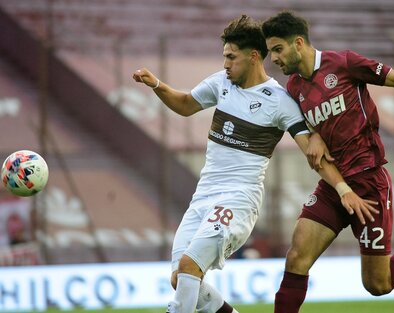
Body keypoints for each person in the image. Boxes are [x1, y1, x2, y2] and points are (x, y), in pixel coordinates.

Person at [133, 15, 377, 313]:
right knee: (180, 280)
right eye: (224, 57)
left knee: (188, 268)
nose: (225, 64)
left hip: (238, 199)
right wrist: (157, 84)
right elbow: (185, 105)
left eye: (230, 57)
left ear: (252, 57)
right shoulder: (221, 83)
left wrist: (341, 187)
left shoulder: (279, 100)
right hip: (203, 196)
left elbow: (313, 155)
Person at [261, 11, 394, 313]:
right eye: (270, 52)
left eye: (277, 49)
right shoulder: (293, 89)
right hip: (335, 185)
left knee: (377, 285)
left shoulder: (343, 63)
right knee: (296, 258)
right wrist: (316, 136)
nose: (274, 59)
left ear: (298, 43)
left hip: (369, 181)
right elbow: (310, 137)